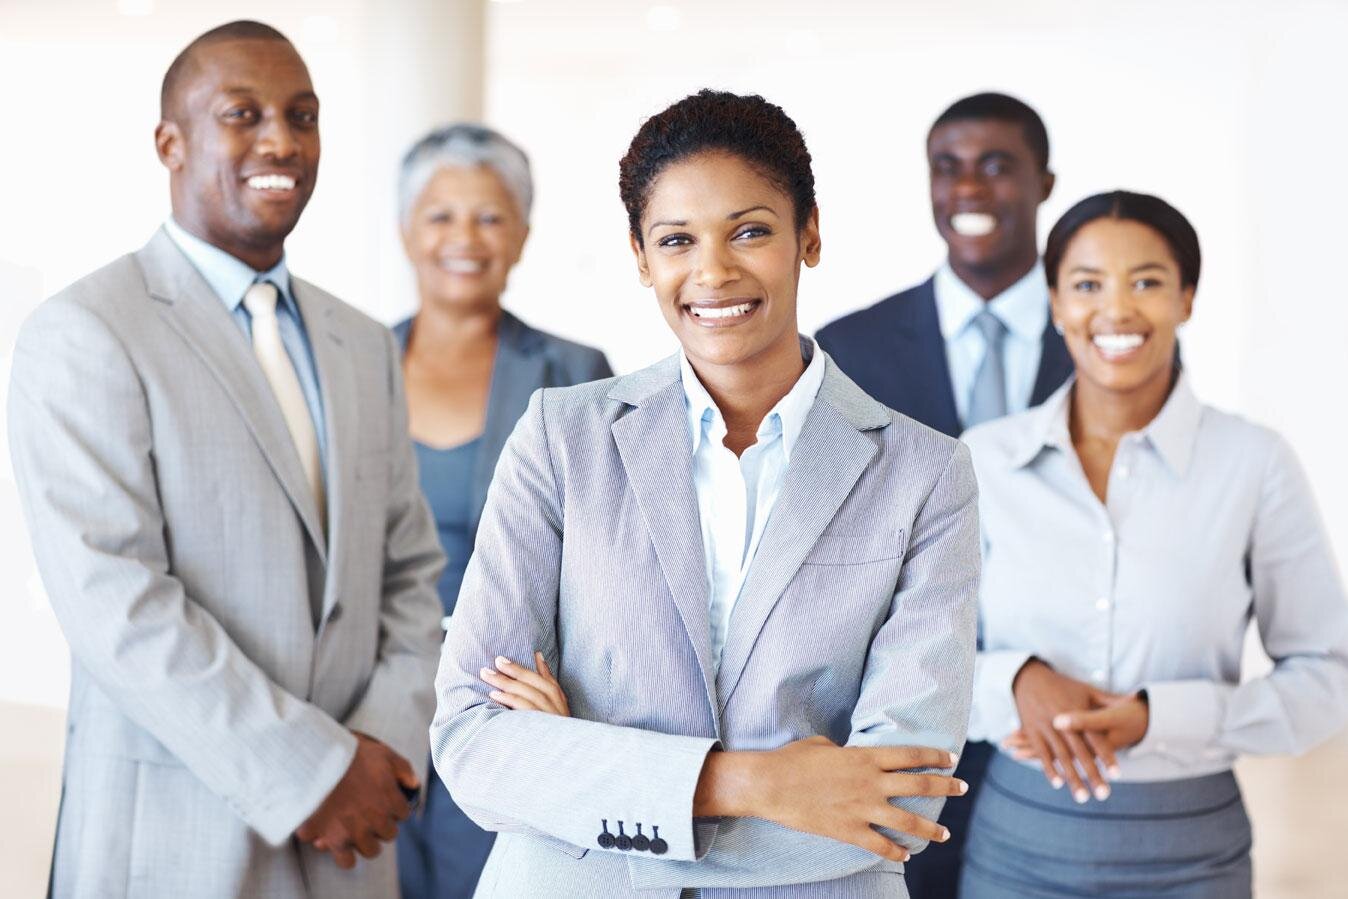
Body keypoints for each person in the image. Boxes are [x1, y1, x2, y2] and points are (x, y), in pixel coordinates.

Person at [428, 89, 979, 898]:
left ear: (810, 235)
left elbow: (898, 800)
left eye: (750, 230)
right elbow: (477, 748)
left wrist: (582, 766)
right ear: (642, 258)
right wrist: (761, 783)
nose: (713, 271)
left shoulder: (925, 474)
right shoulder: (561, 437)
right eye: (677, 239)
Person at [7, 21, 446, 898]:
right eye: (242, 114)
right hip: (174, 843)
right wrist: (315, 772)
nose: (281, 139)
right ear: (169, 144)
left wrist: (382, 749)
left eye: (303, 114)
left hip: (356, 845)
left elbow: (410, 575)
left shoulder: (361, 343)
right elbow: (116, 605)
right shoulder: (86, 331)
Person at [959, 191, 1348, 897]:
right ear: (1054, 304)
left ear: (1187, 299)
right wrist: (1015, 678)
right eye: (1086, 284)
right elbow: (916, 663)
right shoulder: (983, 462)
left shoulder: (1253, 463)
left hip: (1193, 851)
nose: (1116, 309)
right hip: (1019, 846)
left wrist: (1160, 717)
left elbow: (1330, 672)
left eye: (1147, 281)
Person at [815, 90, 1070, 896]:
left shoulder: (1104, 342)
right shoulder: (849, 348)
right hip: (899, 713)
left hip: (1058, 717)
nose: (969, 189)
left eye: (997, 166)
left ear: (1044, 182)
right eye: (948, 168)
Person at [390, 123, 612, 899]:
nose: (465, 237)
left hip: (505, 700)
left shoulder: (577, 375)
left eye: (490, 216)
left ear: (520, 234)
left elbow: (607, 564)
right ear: (405, 229)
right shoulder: (349, 366)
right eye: (441, 214)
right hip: (368, 700)